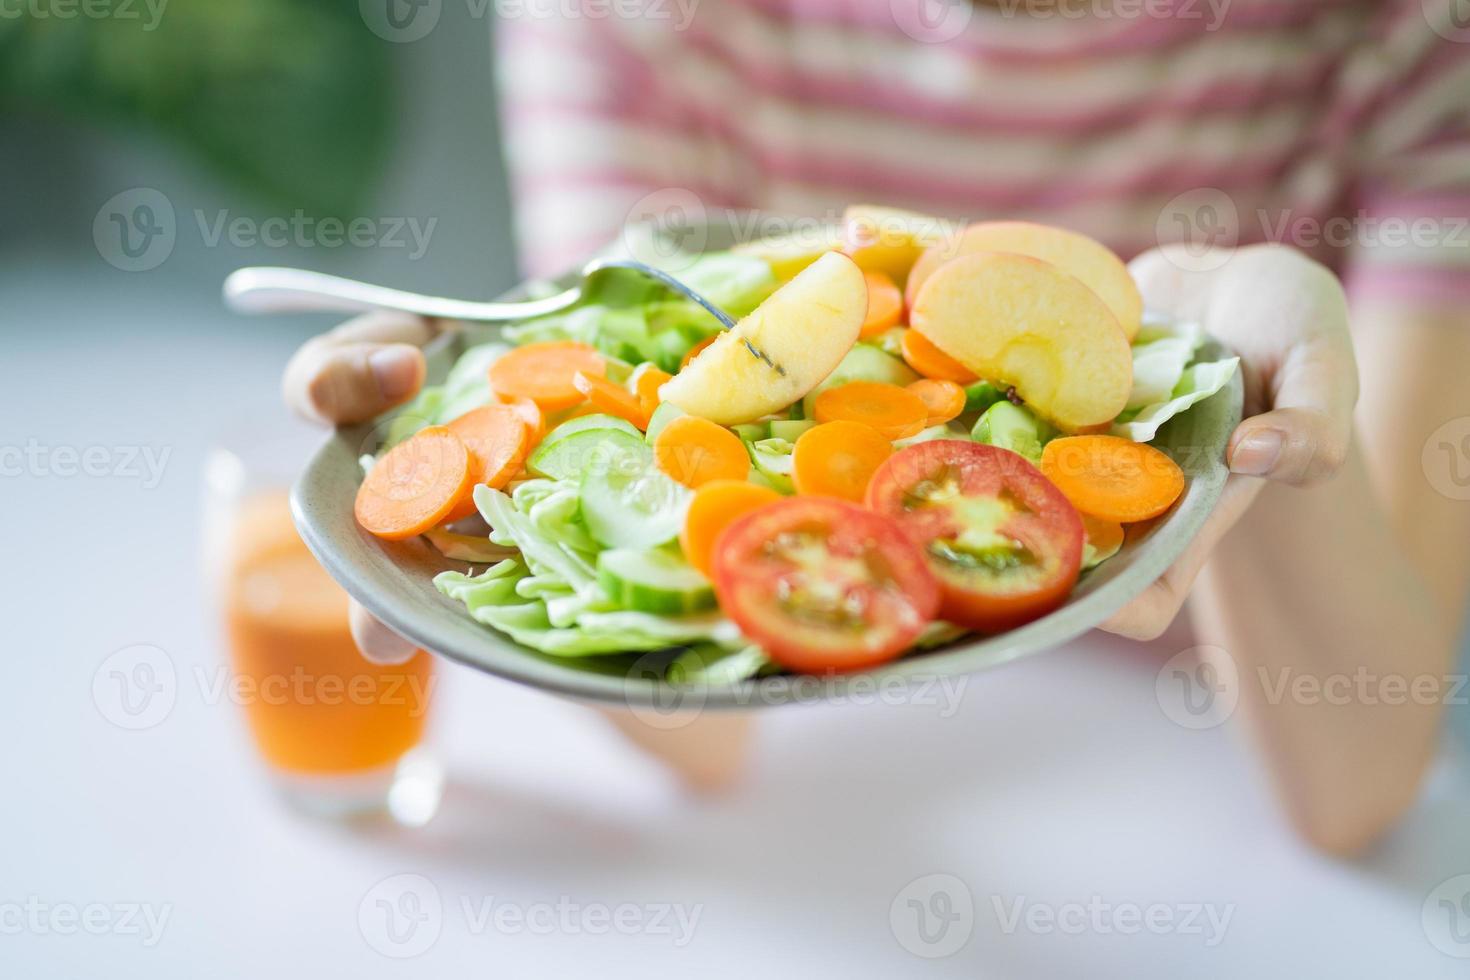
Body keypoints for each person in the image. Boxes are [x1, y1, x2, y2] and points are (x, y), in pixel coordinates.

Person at [284, 0, 1470, 852]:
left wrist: (1232, 403)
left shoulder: (1416, 32)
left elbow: (1358, 785)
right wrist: (512, 456)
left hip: (1212, 782)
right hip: (831, 812)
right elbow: (705, 739)